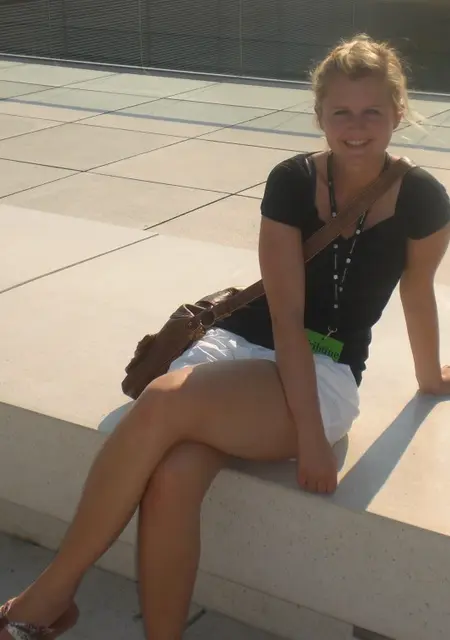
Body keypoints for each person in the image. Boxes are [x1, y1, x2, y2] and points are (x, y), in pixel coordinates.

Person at [1, 34, 450, 640]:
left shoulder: (424, 199)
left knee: (165, 406)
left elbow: (418, 293)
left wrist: (426, 380)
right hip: (240, 343)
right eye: (341, 111)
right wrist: (307, 436)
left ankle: (44, 600)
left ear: (398, 111)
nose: (356, 127)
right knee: (174, 474)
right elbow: (284, 315)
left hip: (326, 370)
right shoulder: (291, 180)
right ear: (319, 115)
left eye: (372, 111)